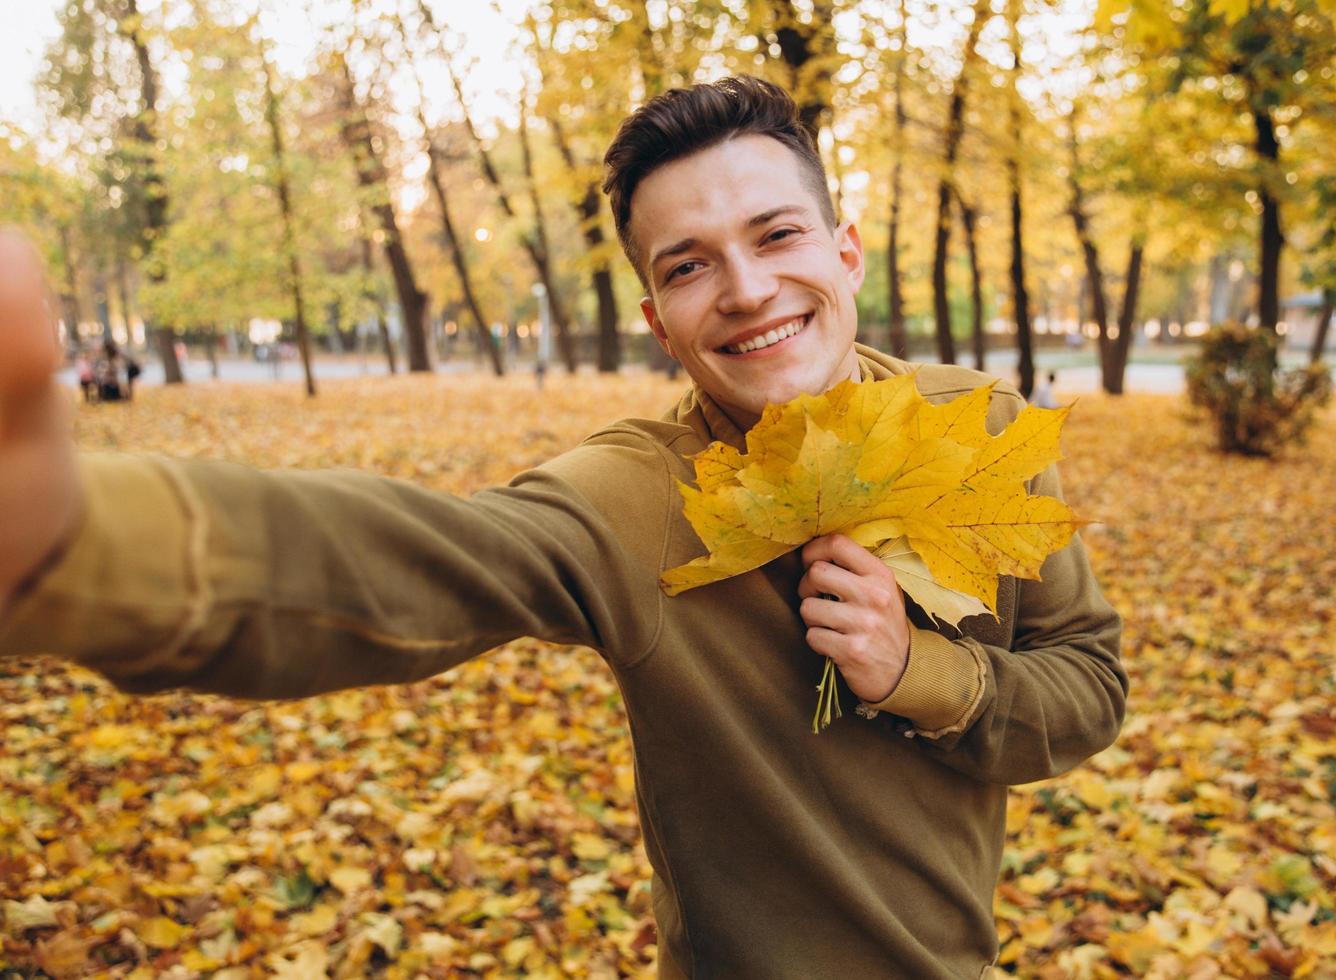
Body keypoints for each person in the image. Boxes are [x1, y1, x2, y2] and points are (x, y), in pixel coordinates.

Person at [0, 78, 1125, 978]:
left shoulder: (977, 428)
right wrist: (83, 541)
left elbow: (1087, 686)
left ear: (846, 248)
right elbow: (425, 562)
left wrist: (919, 672)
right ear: (655, 317)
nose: (743, 288)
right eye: (688, 265)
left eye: (776, 234)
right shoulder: (637, 499)